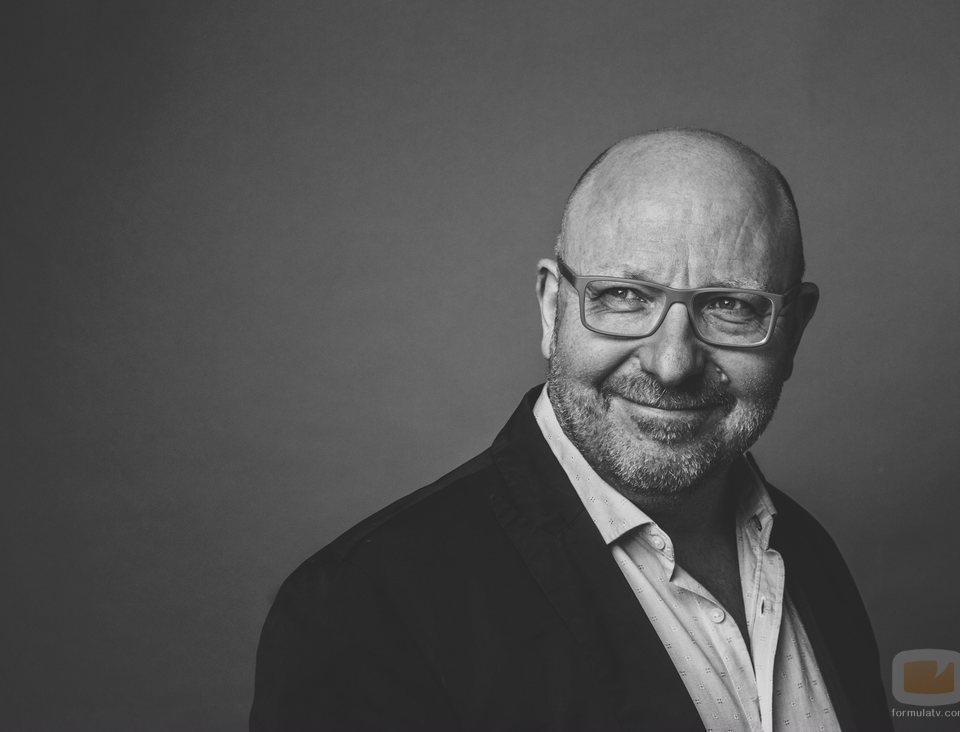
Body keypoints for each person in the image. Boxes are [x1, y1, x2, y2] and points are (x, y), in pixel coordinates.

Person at [250, 129, 892, 731]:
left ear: (794, 330)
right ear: (552, 307)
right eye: (625, 296)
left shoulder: (807, 553)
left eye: (730, 305)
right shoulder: (363, 607)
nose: (672, 364)